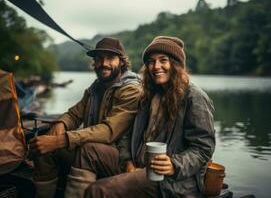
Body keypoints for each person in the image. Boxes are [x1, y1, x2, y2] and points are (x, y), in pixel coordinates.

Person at [81, 36, 216, 198]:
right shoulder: (148, 94)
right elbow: (127, 135)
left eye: (163, 60)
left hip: (169, 180)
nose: (156, 66)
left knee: (97, 190)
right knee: (88, 150)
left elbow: (203, 148)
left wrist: (174, 164)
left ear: (176, 64)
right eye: (151, 61)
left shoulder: (194, 97)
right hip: (138, 166)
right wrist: (128, 162)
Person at [29, 37, 142, 198]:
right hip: (91, 152)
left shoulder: (131, 90)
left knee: (85, 149)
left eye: (110, 58)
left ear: (122, 62)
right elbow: (74, 114)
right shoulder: (95, 88)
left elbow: (109, 131)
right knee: (44, 147)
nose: (103, 63)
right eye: (98, 58)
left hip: (122, 159)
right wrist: (60, 123)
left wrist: (60, 140)